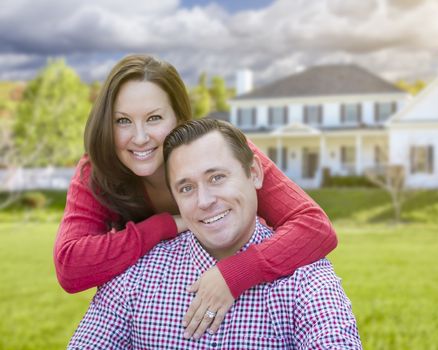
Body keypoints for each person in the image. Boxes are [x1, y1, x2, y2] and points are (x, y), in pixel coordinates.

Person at [54, 54, 337, 335]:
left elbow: (315, 227)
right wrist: (170, 224)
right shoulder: (98, 171)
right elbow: (70, 267)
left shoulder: (221, 152)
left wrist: (235, 274)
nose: (139, 137)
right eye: (123, 121)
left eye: (154, 118)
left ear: (179, 117)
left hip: (250, 288)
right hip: (163, 293)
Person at [68, 119, 362, 349]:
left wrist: (238, 272)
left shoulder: (307, 280)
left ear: (255, 173)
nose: (204, 200)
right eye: (186, 187)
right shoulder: (137, 275)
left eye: (217, 178)